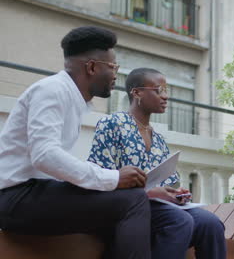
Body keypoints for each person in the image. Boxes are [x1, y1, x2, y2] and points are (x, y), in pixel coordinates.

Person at [0, 26, 152, 259]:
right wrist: (113, 178)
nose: (115, 76)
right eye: (113, 67)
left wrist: (108, 181)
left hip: (35, 193)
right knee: (132, 201)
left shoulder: (71, 98)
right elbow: (45, 154)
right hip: (15, 198)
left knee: (122, 207)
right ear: (91, 67)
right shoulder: (51, 90)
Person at [88, 67, 227, 259]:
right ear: (137, 92)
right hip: (125, 206)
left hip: (157, 208)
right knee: (179, 220)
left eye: (166, 91)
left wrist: (175, 193)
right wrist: (149, 192)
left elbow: (164, 182)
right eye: (159, 90)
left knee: (210, 223)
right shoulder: (112, 124)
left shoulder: (159, 139)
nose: (166, 96)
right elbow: (100, 175)